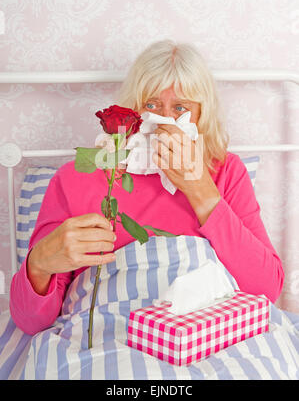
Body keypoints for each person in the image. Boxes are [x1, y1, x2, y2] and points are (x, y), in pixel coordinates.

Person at [10, 40, 284, 335]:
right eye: (151, 105)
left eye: (180, 107)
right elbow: (30, 322)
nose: (163, 120)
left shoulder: (225, 172)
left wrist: (201, 191)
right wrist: (38, 266)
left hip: (207, 334)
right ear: (131, 110)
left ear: (201, 115)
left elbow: (266, 289)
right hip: (110, 333)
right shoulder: (75, 179)